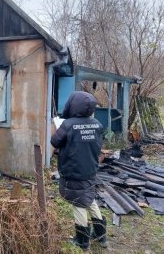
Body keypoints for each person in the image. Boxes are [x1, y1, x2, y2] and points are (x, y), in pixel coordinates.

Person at [50, 91, 107, 251]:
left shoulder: (68, 125)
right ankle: (101, 235)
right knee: (89, 198)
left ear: (72, 105)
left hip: (73, 171)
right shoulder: (97, 124)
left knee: (78, 203)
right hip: (90, 169)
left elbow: (54, 141)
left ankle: (82, 240)